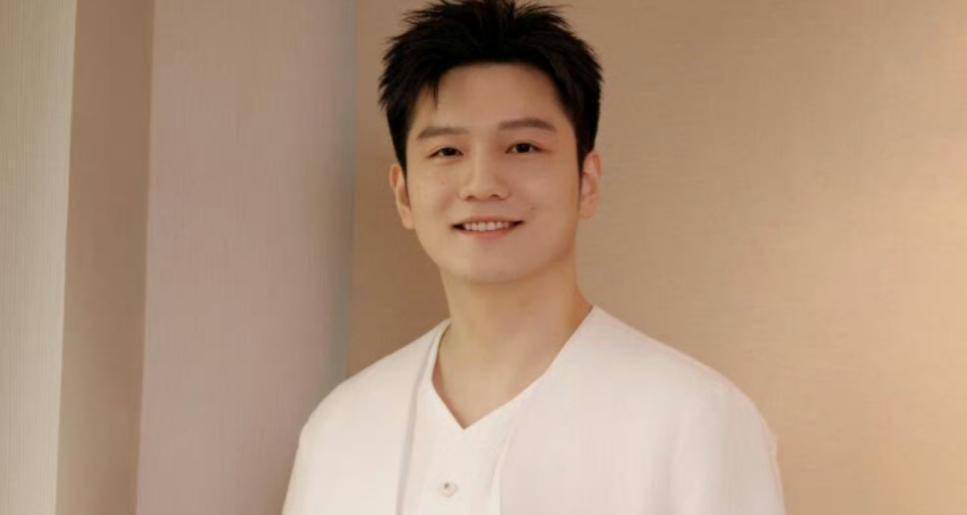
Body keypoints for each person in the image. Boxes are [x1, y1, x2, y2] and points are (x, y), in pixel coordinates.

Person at [281, 1, 786, 513]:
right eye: (447, 152)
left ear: (586, 181)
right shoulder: (341, 427)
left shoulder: (698, 421)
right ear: (404, 193)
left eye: (522, 148)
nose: (482, 184)